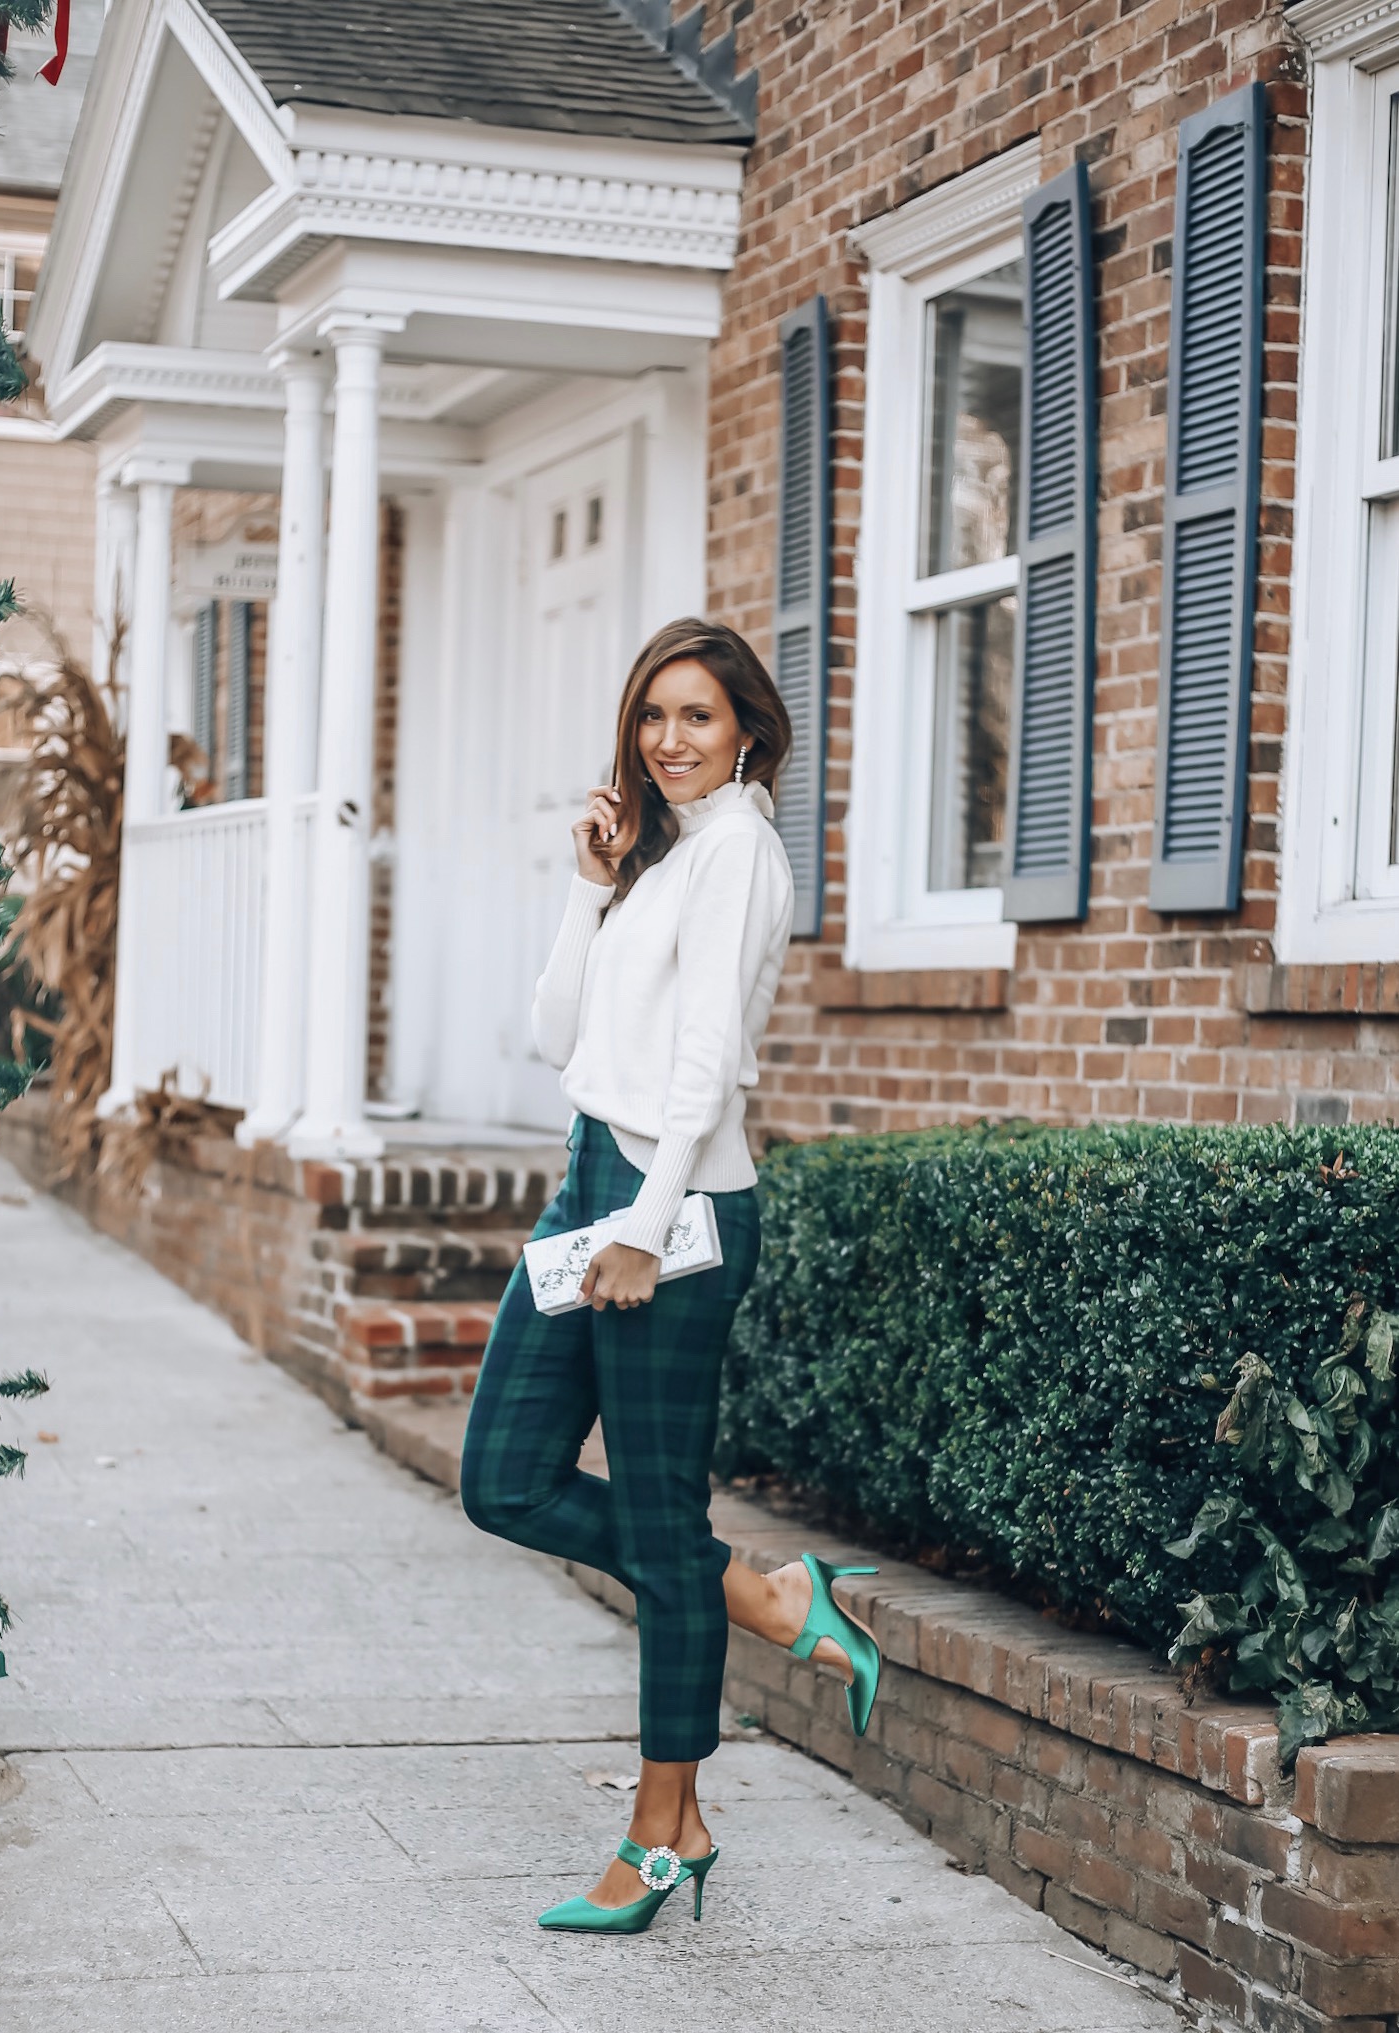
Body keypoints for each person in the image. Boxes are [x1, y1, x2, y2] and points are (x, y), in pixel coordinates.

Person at [460, 617, 882, 1935]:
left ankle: (664, 1830)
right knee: (502, 1478)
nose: (669, 740)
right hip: (592, 1185)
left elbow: (707, 1059)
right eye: (653, 715)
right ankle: (761, 1592)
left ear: (748, 726)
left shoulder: (742, 852)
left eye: (696, 716)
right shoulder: (664, 857)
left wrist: (647, 1222)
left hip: (674, 1214)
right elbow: (555, 1031)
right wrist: (589, 882)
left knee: (653, 1526)